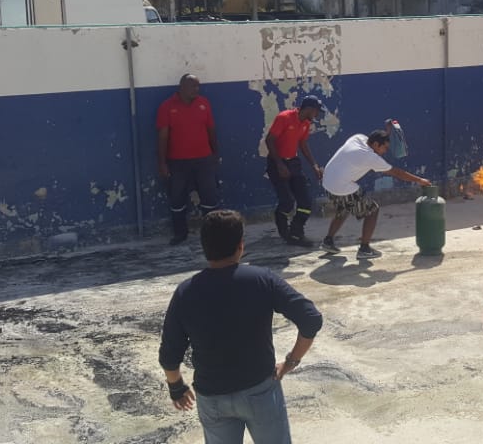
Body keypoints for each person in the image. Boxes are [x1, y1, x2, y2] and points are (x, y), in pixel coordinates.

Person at [160, 210, 322, 443]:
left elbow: (169, 352)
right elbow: (311, 319)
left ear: (204, 248)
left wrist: (176, 386)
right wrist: (290, 362)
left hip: (212, 396)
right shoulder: (262, 279)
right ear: (241, 246)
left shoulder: (186, 292)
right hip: (260, 390)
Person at [320, 128, 431, 259]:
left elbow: (376, 139)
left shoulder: (358, 138)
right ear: (376, 144)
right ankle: (364, 249)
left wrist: (387, 132)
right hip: (341, 186)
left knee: (344, 207)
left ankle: (328, 241)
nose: (385, 151)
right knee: (372, 210)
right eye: (385, 148)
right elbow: (397, 173)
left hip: (327, 182)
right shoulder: (370, 157)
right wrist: (419, 180)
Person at [157, 74, 220, 246]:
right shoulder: (167, 107)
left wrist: (215, 153)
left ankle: (212, 233)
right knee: (177, 198)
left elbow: (211, 129)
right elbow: (162, 137)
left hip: (204, 160)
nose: (197, 89)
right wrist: (162, 163)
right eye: (193, 86)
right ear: (182, 87)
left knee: (209, 198)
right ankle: (180, 233)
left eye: (198, 86)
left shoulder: (204, 103)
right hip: (178, 162)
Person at [264, 96, 324, 247]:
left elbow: (302, 143)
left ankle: (296, 232)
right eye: (316, 111)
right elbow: (269, 140)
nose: (317, 114)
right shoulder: (284, 117)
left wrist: (314, 165)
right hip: (277, 162)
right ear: (309, 109)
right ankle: (285, 233)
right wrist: (279, 164)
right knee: (287, 202)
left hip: (293, 163)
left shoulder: (306, 123)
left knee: (305, 202)